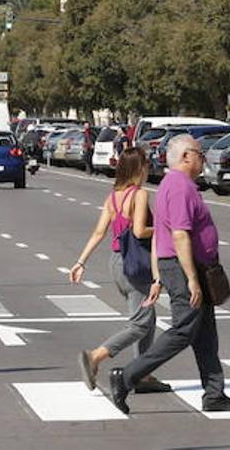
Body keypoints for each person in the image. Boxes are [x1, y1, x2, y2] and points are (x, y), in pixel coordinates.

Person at [109, 134, 230, 414]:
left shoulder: (173, 184)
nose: (203, 157)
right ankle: (126, 377)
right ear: (186, 156)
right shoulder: (180, 186)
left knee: (205, 333)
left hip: (185, 266)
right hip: (186, 267)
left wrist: (160, 276)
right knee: (184, 330)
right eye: (199, 152)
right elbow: (180, 235)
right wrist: (192, 278)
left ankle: (214, 394)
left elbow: (161, 234)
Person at [68, 146, 171, 395]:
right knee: (140, 324)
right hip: (136, 264)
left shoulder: (113, 196)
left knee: (147, 319)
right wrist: (162, 228)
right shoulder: (140, 195)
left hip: (117, 262)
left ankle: (143, 374)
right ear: (139, 168)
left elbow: (99, 232)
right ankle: (95, 356)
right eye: (146, 164)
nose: (149, 168)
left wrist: (81, 262)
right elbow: (139, 231)